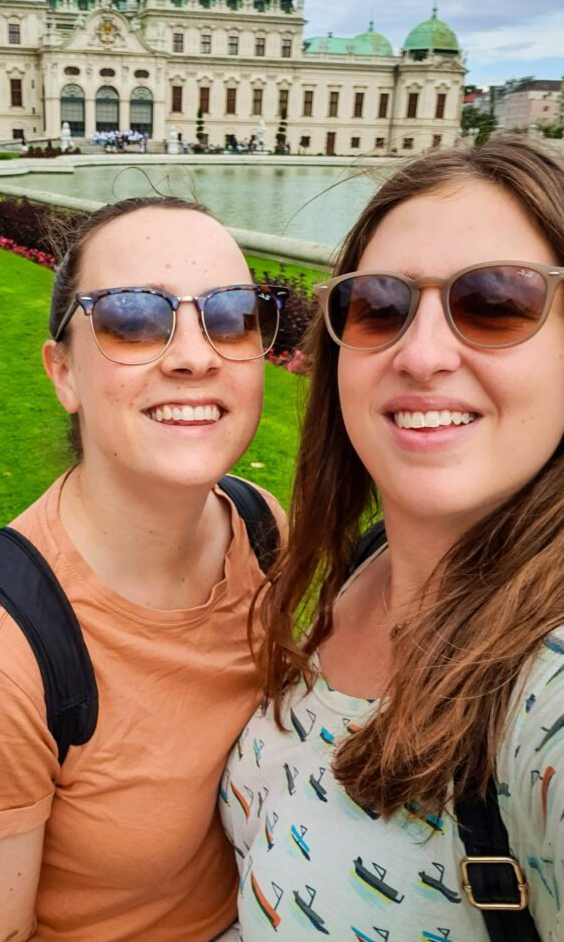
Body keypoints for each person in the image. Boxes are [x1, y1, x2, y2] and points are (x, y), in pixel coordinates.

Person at [0, 196, 288, 941]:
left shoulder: (261, 527)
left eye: (232, 315)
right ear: (63, 372)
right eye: (133, 319)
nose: (195, 354)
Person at [223, 136, 564, 939]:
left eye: (495, 303)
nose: (420, 355)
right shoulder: (366, 564)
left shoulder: (545, 687)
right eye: (378, 306)